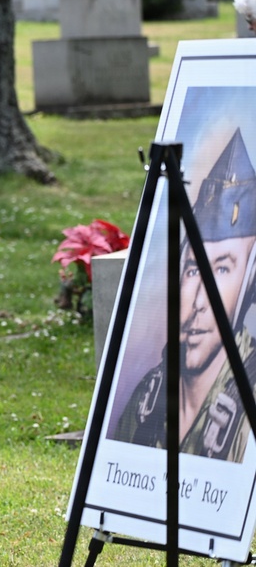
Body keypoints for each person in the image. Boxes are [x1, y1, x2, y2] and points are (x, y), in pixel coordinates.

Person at [113, 128, 256, 462]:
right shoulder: (148, 398)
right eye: (193, 269)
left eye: (223, 269)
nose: (199, 302)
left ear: (250, 283)